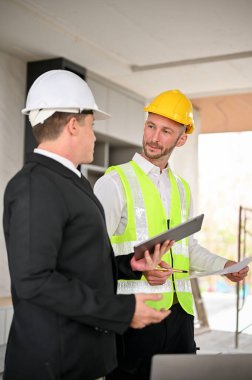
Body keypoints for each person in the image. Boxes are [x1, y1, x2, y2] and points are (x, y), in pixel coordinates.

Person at [2, 70, 174, 380]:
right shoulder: (35, 185)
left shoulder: (71, 181)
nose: (94, 136)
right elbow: (35, 280)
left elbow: (77, 263)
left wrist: (128, 265)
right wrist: (122, 311)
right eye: (92, 126)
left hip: (81, 358)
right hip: (55, 365)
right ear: (73, 125)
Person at [94, 89, 249, 380]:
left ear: (182, 138)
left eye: (166, 131)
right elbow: (92, 257)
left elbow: (187, 248)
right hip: (135, 316)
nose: (154, 137)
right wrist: (139, 272)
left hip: (180, 317)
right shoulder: (115, 182)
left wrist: (224, 266)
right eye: (151, 126)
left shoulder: (181, 188)